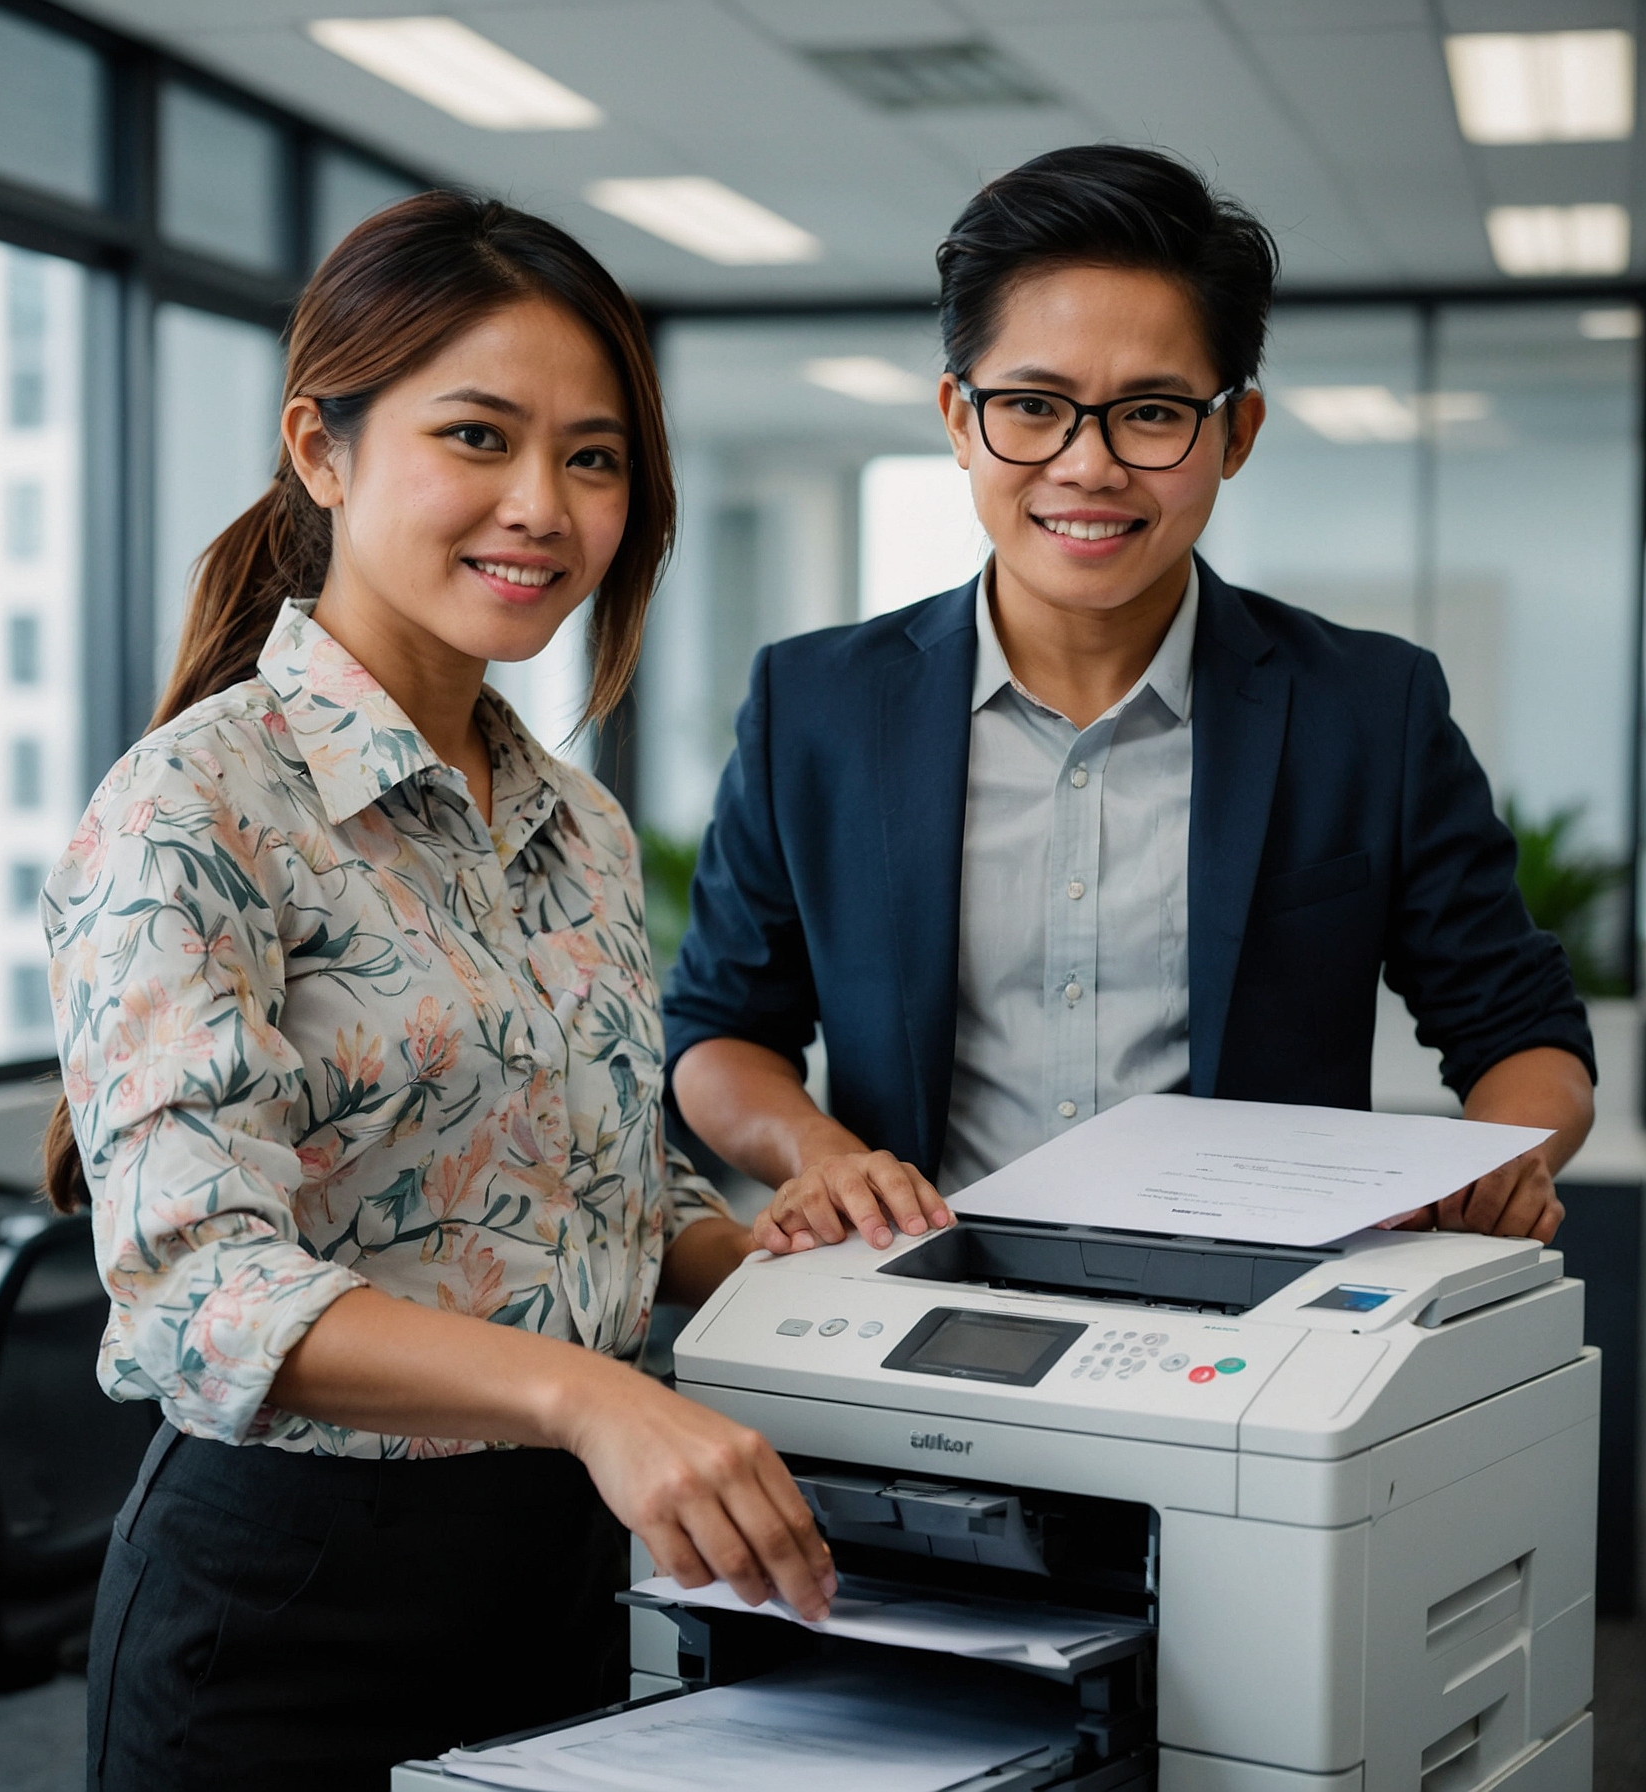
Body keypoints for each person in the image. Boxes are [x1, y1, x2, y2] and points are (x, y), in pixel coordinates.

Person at [41, 191, 832, 1792]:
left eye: (594, 458)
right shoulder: (192, 806)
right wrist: (589, 1394)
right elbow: (200, 1293)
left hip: (568, 1584)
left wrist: (767, 1258)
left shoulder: (575, 821)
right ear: (322, 453)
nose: (542, 506)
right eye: (478, 437)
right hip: (289, 1620)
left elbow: (571, 1192)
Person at [663, 146, 1595, 1261]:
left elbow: (1522, 1034)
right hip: (912, 1306)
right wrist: (819, 1152)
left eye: (1150, 413)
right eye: (1033, 406)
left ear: (1233, 433)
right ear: (960, 420)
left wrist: (1499, 1155)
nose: (1087, 466)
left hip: (1256, 1330)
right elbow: (719, 1035)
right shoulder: (814, 704)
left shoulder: (1367, 708)